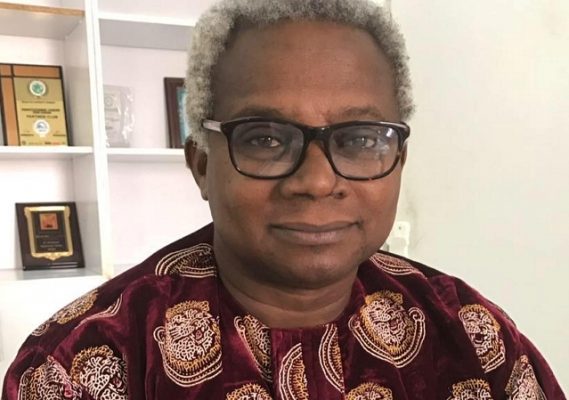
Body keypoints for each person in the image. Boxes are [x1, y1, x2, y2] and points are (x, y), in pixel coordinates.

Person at [2, 0, 566, 399]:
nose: (317, 182)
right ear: (202, 165)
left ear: (398, 160)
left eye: (359, 138)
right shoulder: (80, 364)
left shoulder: (473, 337)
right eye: (266, 139)